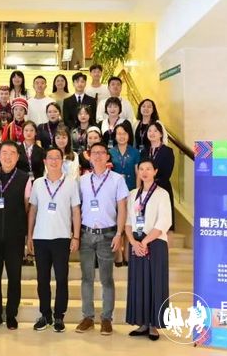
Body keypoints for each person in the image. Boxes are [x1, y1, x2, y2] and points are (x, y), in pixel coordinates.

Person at [75, 143, 128, 336]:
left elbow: (122, 208)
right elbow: (76, 209)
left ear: (107, 157)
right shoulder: (82, 180)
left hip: (108, 234)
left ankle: (106, 319)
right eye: (94, 153)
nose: (97, 156)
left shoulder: (117, 179)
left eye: (101, 153)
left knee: (106, 278)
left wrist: (119, 234)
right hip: (86, 234)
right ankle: (88, 317)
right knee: (86, 278)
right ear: (89, 157)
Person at [27, 147, 81, 333]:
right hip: (40, 238)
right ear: (45, 161)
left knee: (61, 279)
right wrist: (30, 235)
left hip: (62, 238)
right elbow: (33, 210)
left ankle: (59, 316)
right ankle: (45, 315)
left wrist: (76, 236)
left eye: (57, 157)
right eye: (50, 158)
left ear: (62, 161)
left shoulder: (71, 183)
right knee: (42, 279)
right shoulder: (37, 183)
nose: (54, 161)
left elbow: (76, 211)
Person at [0, 141, 32, 330]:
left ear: (18, 157)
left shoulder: (24, 178)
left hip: (15, 235)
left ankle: (11, 315)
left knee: (14, 276)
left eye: (12, 153)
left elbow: (27, 206)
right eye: (4, 152)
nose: (8, 156)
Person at [125, 159, 172, 341]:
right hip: (136, 244)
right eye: (141, 169)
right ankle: (142, 322)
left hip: (155, 243)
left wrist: (144, 242)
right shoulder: (132, 194)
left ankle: (153, 325)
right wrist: (133, 242)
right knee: (138, 283)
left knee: (155, 283)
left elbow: (164, 221)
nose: (144, 172)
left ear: (155, 171)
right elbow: (129, 222)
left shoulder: (162, 194)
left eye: (148, 169)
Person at [109, 124, 140, 267]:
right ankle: (118, 255)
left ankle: (127, 254)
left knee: (129, 222)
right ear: (115, 136)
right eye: (119, 134)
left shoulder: (135, 152)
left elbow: (137, 173)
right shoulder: (110, 152)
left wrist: (137, 191)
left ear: (129, 135)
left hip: (130, 191)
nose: (121, 136)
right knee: (117, 223)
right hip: (114, 193)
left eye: (124, 134)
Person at [141, 122, 175, 230]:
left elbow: (167, 173)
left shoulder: (167, 151)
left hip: (162, 187)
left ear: (161, 134)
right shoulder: (144, 151)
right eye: (150, 131)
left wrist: (153, 184)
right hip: (145, 189)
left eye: (155, 131)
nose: (152, 133)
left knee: (162, 222)